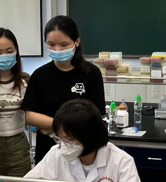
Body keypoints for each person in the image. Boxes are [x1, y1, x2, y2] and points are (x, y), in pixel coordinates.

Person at [6, 99, 141, 182]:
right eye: (60, 138)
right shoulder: (56, 155)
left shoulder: (121, 161)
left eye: (70, 139)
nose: (64, 144)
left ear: (89, 137)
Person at [21, 16, 105, 164]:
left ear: (76, 42)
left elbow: (96, 116)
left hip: (82, 149)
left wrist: (52, 126)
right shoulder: (40, 75)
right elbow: (29, 115)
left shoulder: (91, 74)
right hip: (48, 149)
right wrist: (59, 124)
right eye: (51, 44)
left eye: (64, 44)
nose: (57, 49)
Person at [0, 28, 32, 177]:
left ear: (16, 51)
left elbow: (30, 113)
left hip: (18, 144)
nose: (4, 56)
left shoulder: (26, 80)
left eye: (9, 51)